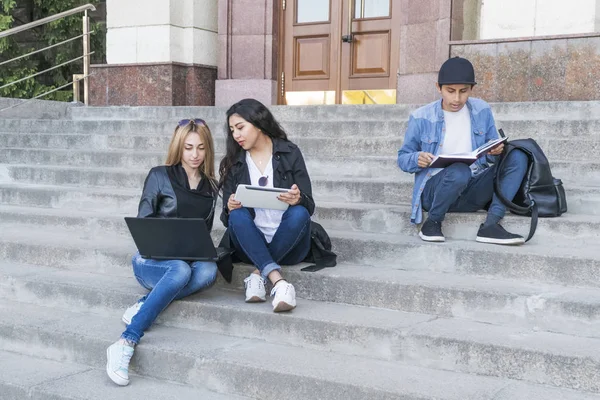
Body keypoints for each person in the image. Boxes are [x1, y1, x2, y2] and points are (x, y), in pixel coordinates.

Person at [106, 119, 219, 386]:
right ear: (179, 147)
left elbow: (202, 233)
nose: (195, 155)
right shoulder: (159, 175)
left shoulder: (211, 187)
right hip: (151, 260)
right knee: (178, 269)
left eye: (201, 148)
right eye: (188, 147)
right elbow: (143, 223)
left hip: (187, 261)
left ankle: (145, 304)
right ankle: (127, 340)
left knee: (209, 271)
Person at [397, 57, 529, 245]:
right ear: (438, 87)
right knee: (459, 170)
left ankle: (491, 225)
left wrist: (495, 151)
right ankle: (433, 222)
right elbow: (402, 158)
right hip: (435, 192)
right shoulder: (422, 117)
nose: (457, 98)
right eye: (450, 91)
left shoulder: (481, 110)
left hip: (472, 188)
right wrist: (417, 158)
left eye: (463, 91)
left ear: (471, 89)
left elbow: (492, 146)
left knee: (517, 155)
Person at [219, 98, 314, 312]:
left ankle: (257, 274)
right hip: (249, 243)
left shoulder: (290, 152)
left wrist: (298, 198)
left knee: (299, 213)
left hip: (289, 243)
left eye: (240, 127)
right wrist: (230, 206)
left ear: (259, 123)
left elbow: (309, 205)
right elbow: (227, 220)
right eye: (232, 130)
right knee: (237, 216)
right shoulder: (233, 162)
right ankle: (278, 282)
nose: (236, 135)